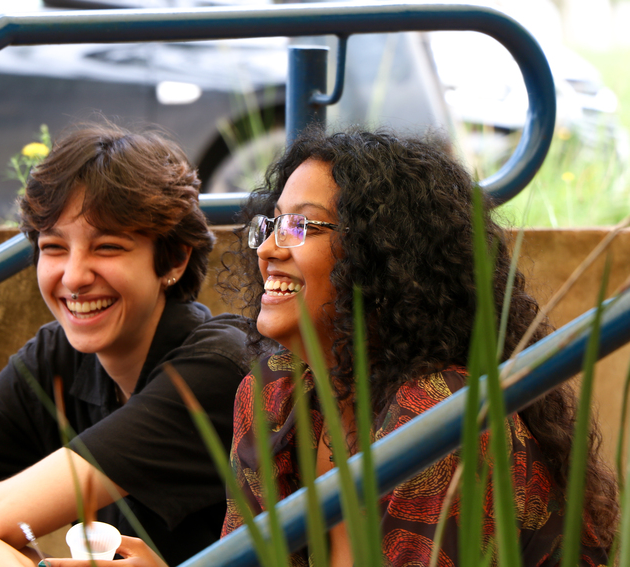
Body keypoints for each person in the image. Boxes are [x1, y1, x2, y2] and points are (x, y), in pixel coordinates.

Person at [44, 128, 619, 567]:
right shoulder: (271, 395)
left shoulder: (437, 416)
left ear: (384, 257)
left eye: (302, 226)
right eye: (271, 224)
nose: (268, 248)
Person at [0, 123, 250, 567]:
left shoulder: (215, 370)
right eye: (54, 247)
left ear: (173, 258)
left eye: (108, 247)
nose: (74, 277)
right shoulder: (60, 358)